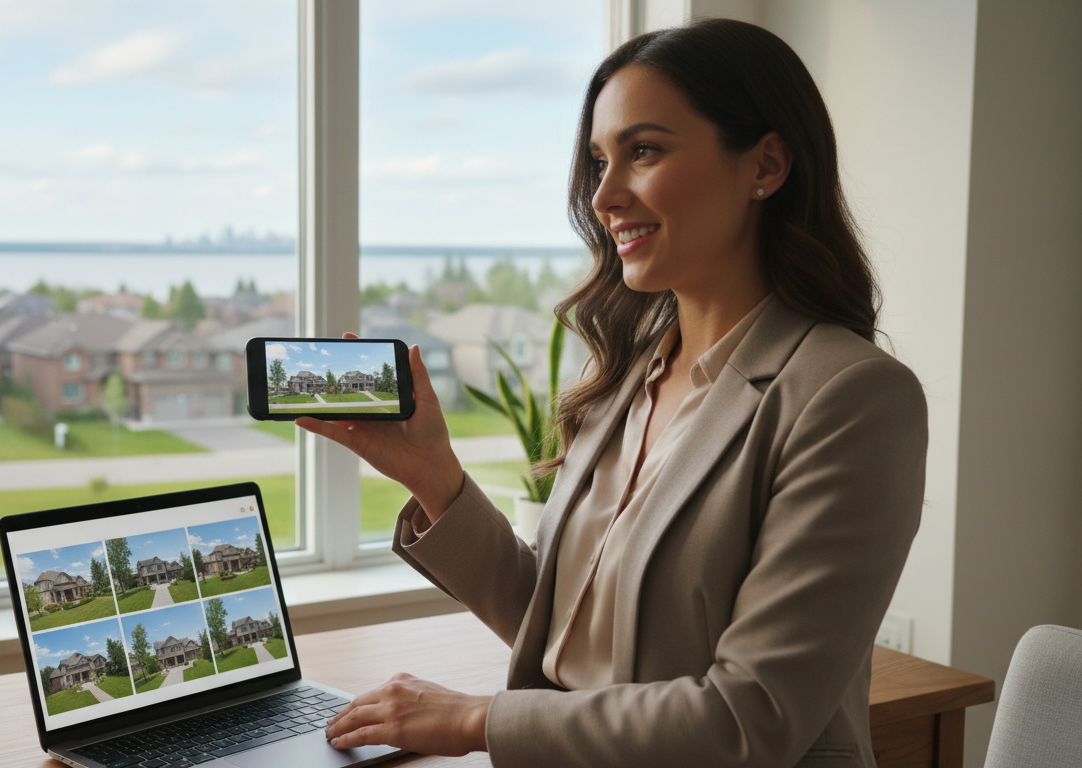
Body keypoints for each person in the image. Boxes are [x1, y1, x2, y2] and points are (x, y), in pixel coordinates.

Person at [299, 18, 927, 768]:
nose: (603, 196)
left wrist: (474, 720)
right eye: (599, 161)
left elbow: (750, 719)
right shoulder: (629, 378)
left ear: (765, 164)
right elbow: (561, 630)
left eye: (644, 151)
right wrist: (435, 480)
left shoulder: (851, 398)